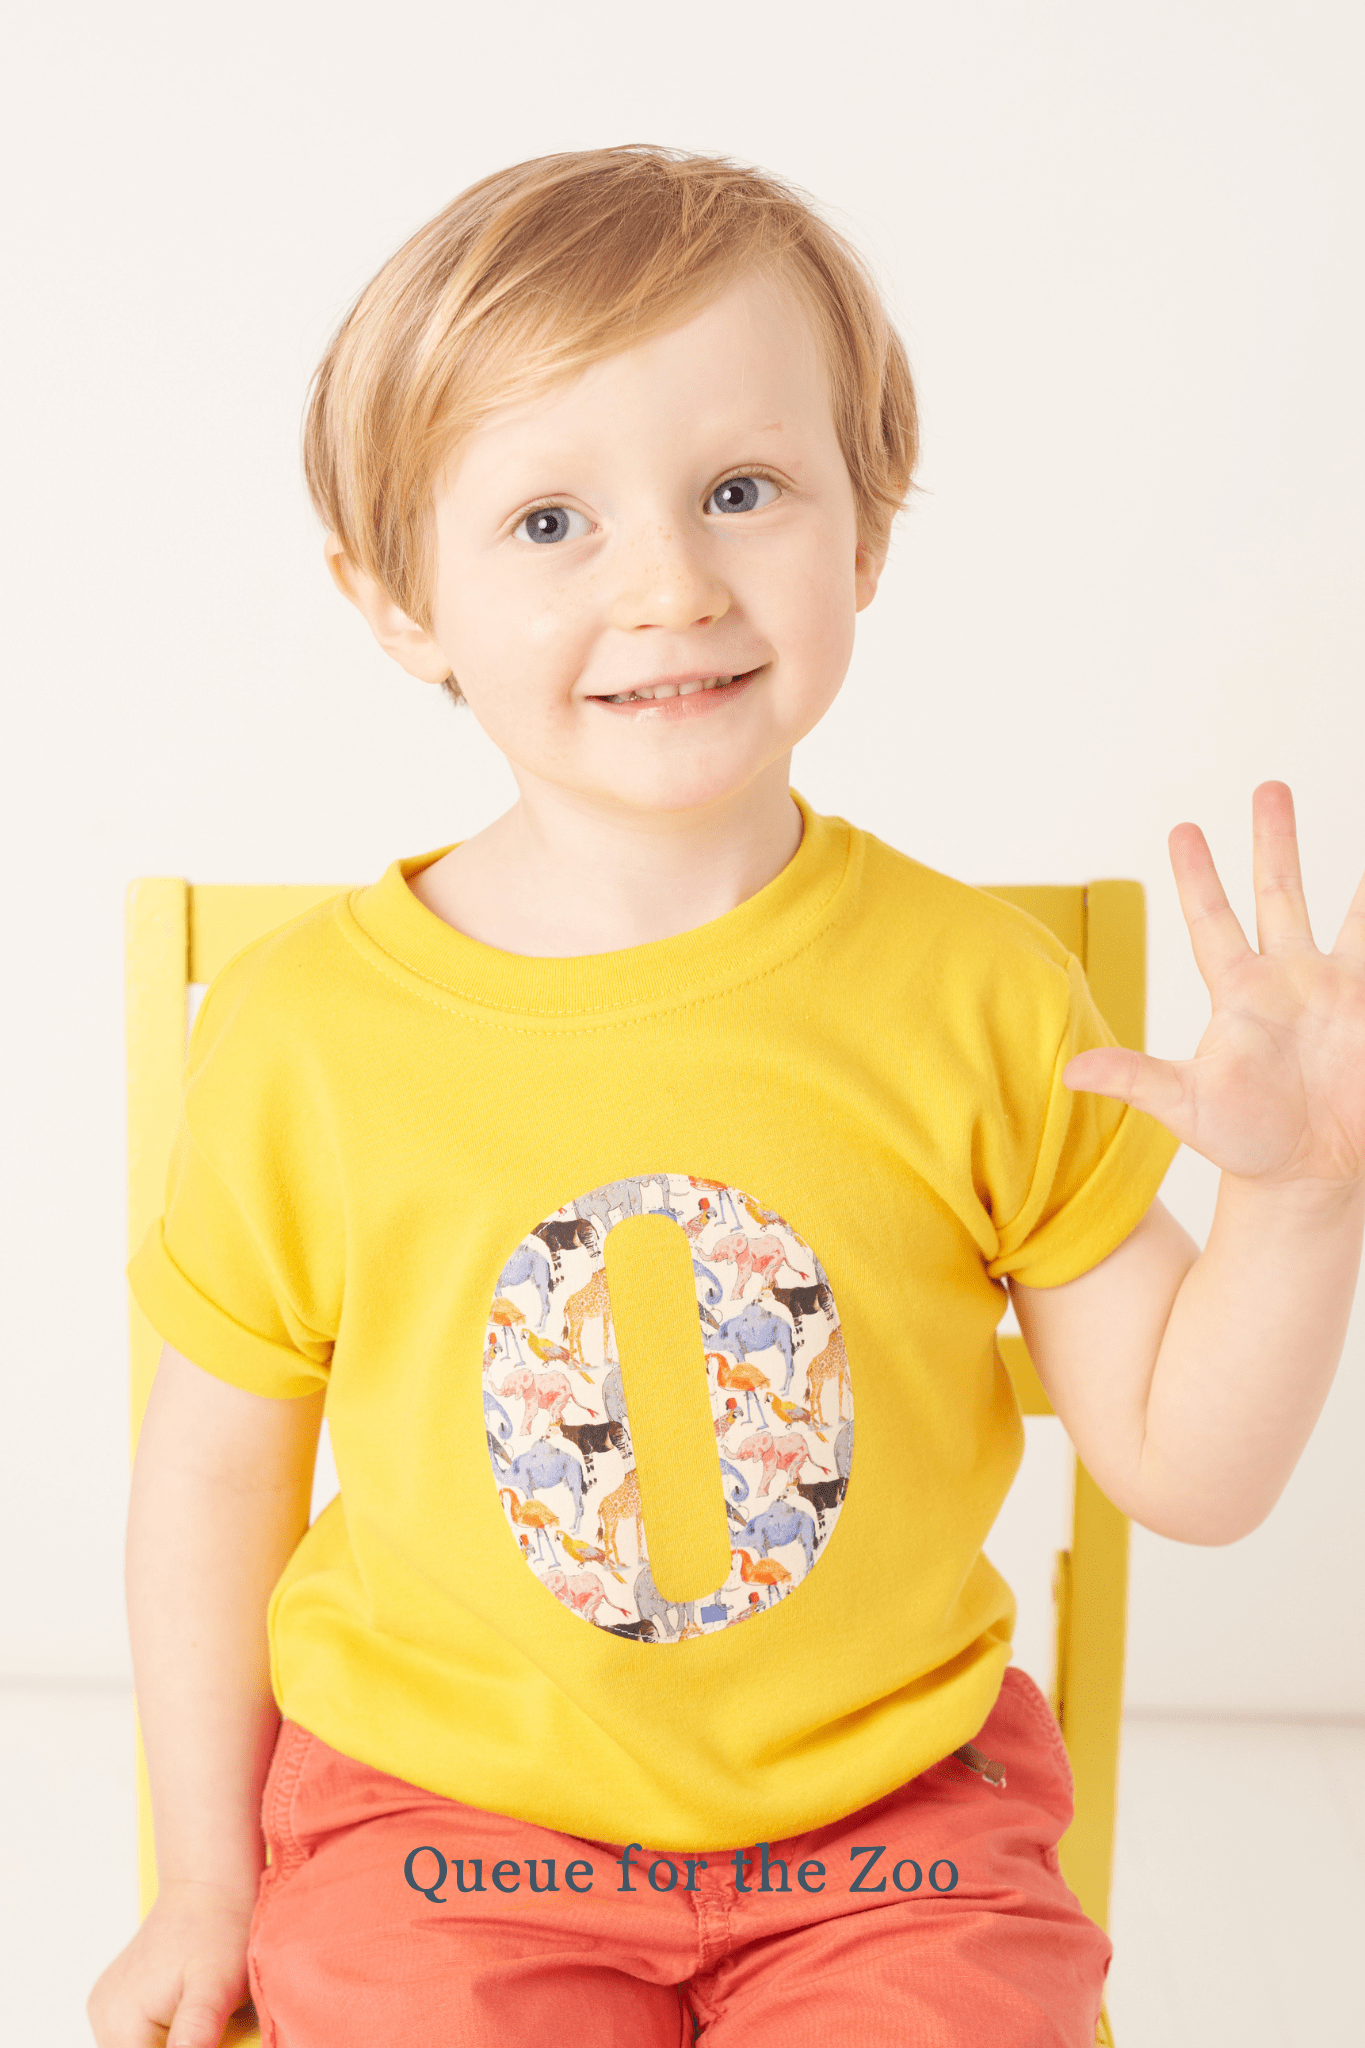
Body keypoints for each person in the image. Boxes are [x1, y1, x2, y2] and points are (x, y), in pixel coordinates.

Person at [89, 146, 1365, 2048]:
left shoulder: (983, 999)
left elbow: (1190, 1473)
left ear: (864, 536)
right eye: (547, 524)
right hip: (443, 1835)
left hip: (891, 1839)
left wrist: (1302, 1198)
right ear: (396, 602)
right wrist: (204, 1880)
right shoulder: (300, 1036)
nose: (671, 582)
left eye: (743, 491)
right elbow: (212, 1482)